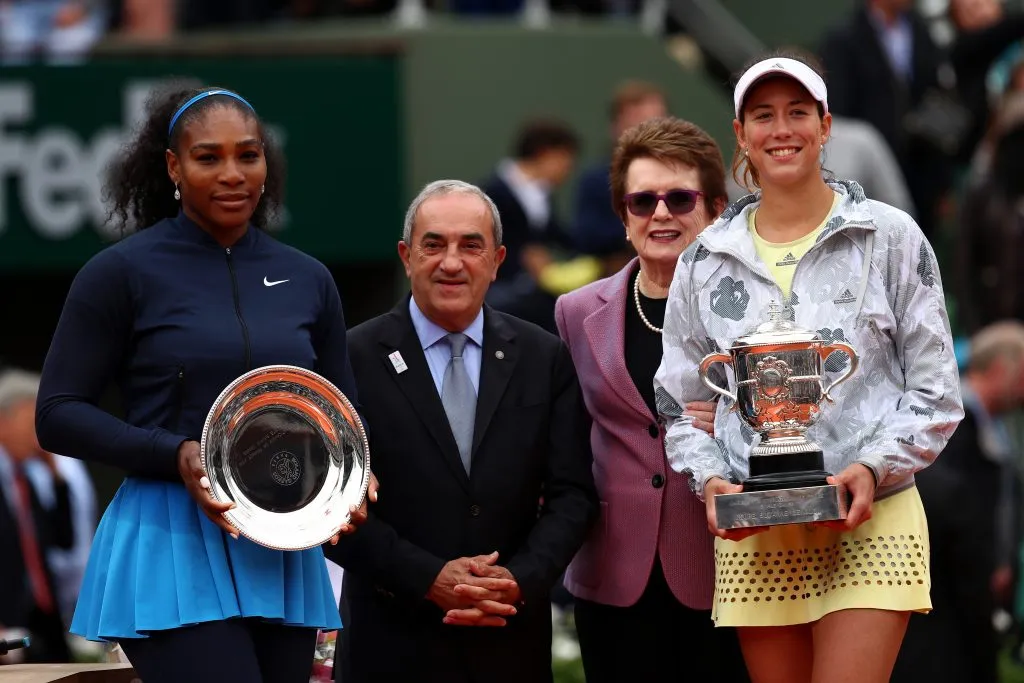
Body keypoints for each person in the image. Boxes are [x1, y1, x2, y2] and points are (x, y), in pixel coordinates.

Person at [35, 85, 373, 683]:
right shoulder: (118, 273)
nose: (232, 174)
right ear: (173, 166)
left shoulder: (308, 278)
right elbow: (58, 412)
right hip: (170, 538)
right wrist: (175, 453)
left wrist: (352, 481)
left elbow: (342, 415)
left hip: (282, 544)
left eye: (248, 155)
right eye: (208, 157)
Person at [654, 52, 964, 683]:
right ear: (740, 135)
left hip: (872, 518)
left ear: (826, 125)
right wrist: (710, 480)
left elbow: (935, 392)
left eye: (798, 112)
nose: (782, 129)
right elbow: (679, 404)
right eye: (763, 116)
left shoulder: (891, 236)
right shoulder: (703, 260)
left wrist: (874, 467)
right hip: (755, 533)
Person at [327, 179, 598, 683]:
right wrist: (428, 578)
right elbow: (329, 510)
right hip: (390, 645)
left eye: (470, 245)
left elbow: (573, 495)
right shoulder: (350, 360)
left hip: (509, 641)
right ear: (406, 256)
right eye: (434, 244)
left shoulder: (543, 356)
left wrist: (516, 582)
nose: (451, 262)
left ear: (497, 260)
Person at [554, 116, 748, 682]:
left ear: (714, 209)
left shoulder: (754, 311)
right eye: (642, 201)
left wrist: (735, 419)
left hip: (726, 568)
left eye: (679, 198)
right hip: (613, 577)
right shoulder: (574, 311)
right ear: (623, 216)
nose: (660, 213)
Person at [892, 321, 1024, 683]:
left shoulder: (997, 426)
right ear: (1000, 368)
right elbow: (946, 505)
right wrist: (983, 564)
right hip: (941, 597)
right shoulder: (948, 426)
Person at [0, 369, 74, 664]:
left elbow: (63, 540)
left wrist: (55, 475)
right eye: (31, 421)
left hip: (45, 622)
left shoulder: (27, 480)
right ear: (4, 422)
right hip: (8, 628)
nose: (38, 432)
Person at [481, 119, 580, 333]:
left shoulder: (544, 195)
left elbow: (560, 236)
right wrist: (523, 258)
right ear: (545, 153)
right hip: (500, 294)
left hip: (534, 292)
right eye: (565, 160)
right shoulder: (492, 192)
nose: (567, 170)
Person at [572, 80, 668, 270]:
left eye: (657, 120)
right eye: (639, 120)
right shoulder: (595, 180)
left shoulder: (686, 176)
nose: (649, 130)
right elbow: (586, 238)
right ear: (616, 126)